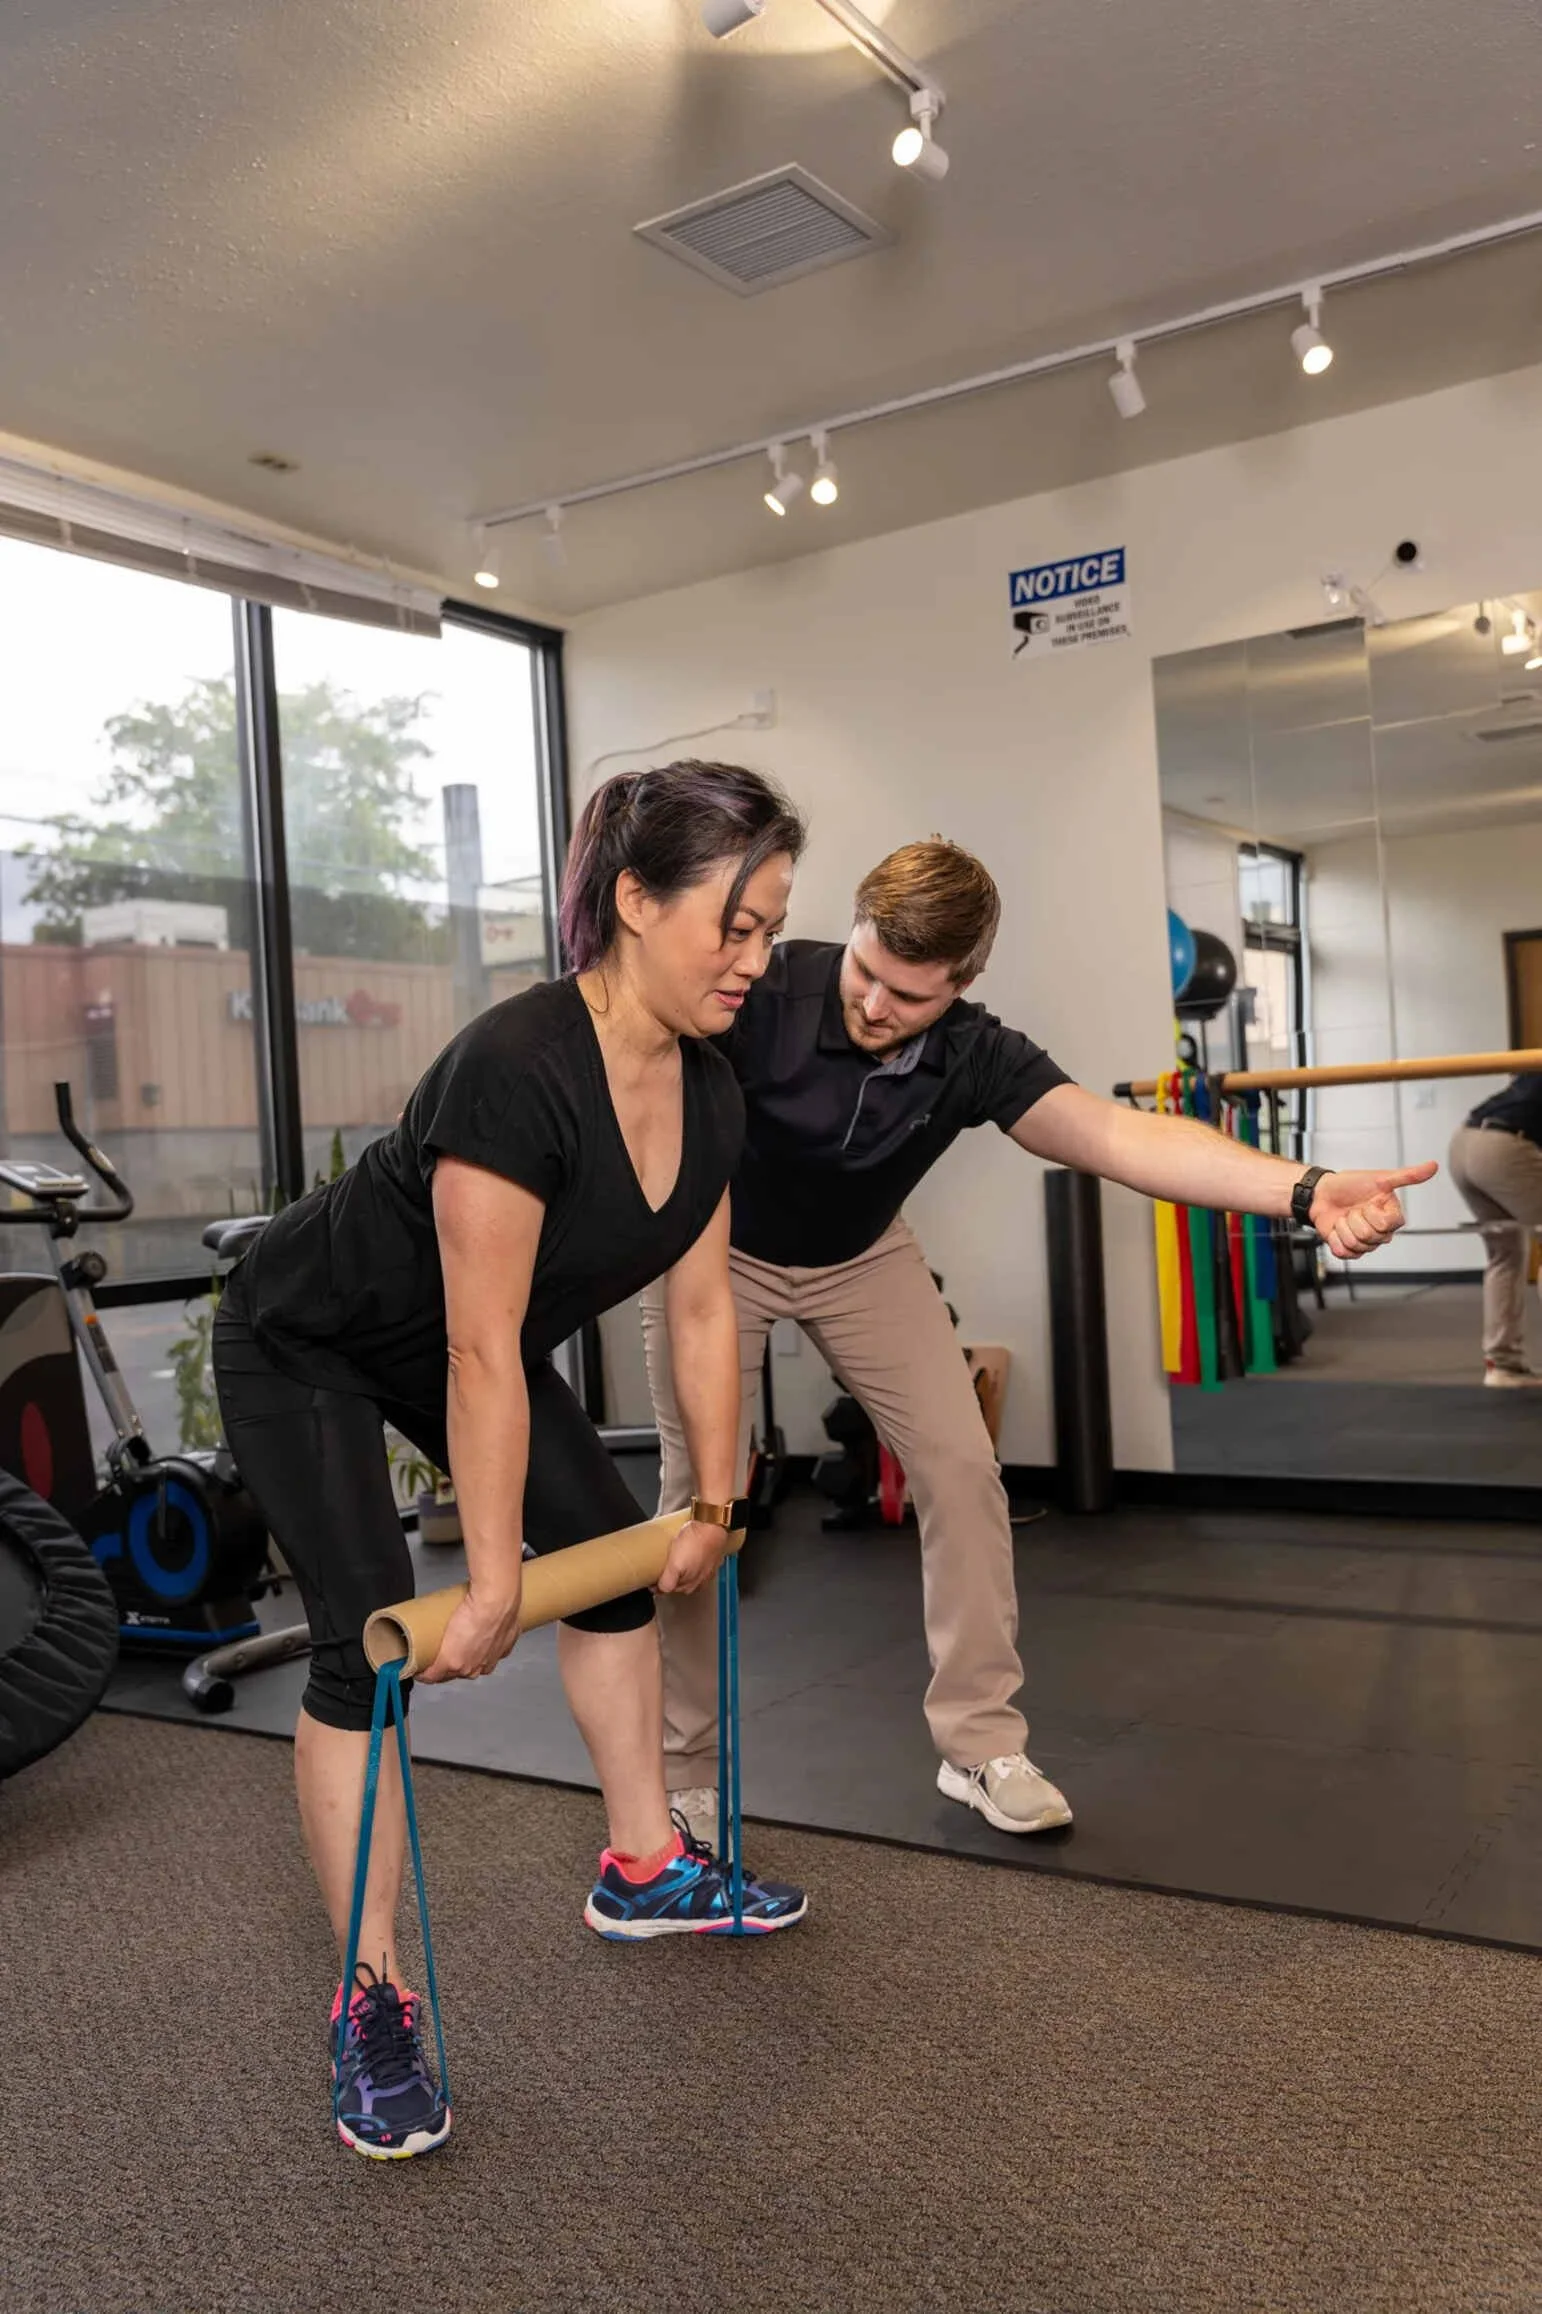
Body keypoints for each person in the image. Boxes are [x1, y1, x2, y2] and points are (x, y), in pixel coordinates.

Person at [213, 760, 809, 2163]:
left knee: (609, 1578)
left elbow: (708, 1306)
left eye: (770, 927)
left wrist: (717, 1496)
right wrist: (484, 1580)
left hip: (451, 1347)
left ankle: (642, 1863)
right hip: (310, 1336)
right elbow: (482, 1347)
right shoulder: (517, 1064)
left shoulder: (712, 1095)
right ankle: (373, 1996)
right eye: (731, 925)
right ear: (631, 901)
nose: (755, 958)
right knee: (368, 1649)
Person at [643, 840, 1434, 1843]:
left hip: (858, 1251)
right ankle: (680, 1768)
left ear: (962, 985)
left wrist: (1309, 1189)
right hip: (717, 1245)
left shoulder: (974, 1052)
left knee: (966, 1467)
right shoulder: (761, 994)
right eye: (867, 973)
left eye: (911, 997)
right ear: (852, 927)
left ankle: (978, 1746)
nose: (877, 1007)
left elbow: (1118, 1138)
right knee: (696, 1498)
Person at [1449, 1075, 1542, 1384]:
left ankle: (1503, 1365)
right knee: (1508, 1251)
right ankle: (1505, 1362)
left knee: (1505, 1253)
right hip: (1504, 1146)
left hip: (1464, 1143)